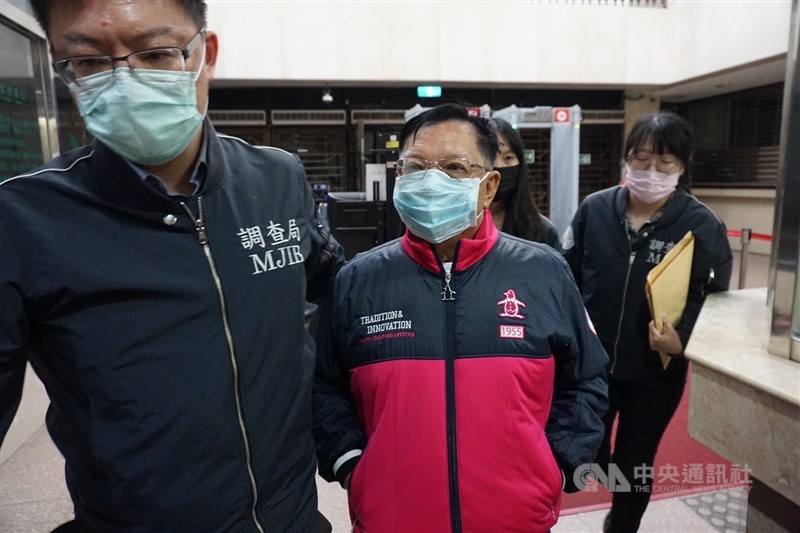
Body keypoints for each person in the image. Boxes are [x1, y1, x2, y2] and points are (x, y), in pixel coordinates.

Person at [0, 1, 343, 530]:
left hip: (292, 518)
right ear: (60, 65)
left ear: (205, 54)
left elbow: (336, 291)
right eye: (90, 63)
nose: (125, 80)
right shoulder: (23, 219)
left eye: (156, 52)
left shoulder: (276, 179)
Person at [312, 103, 609, 532]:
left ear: (489, 187)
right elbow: (325, 386)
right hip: (392, 518)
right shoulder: (358, 280)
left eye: (454, 167)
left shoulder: (544, 271)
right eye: (415, 167)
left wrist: (558, 464)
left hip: (514, 518)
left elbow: (585, 378)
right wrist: (352, 464)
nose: (431, 182)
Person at [560, 111, 733, 532]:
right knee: (588, 449)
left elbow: (717, 304)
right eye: (640, 159)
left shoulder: (702, 226)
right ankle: (604, 473)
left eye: (664, 163)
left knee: (636, 461)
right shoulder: (594, 210)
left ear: (682, 166)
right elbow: (567, 274)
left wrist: (683, 340)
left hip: (655, 373)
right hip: (593, 368)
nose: (650, 171)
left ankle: (620, 524)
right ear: (627, 160)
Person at [490, 117, 561, 248]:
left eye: (508, 158)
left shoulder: (542, 231)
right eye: (490, 158)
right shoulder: (454, 227)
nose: (498, 166)